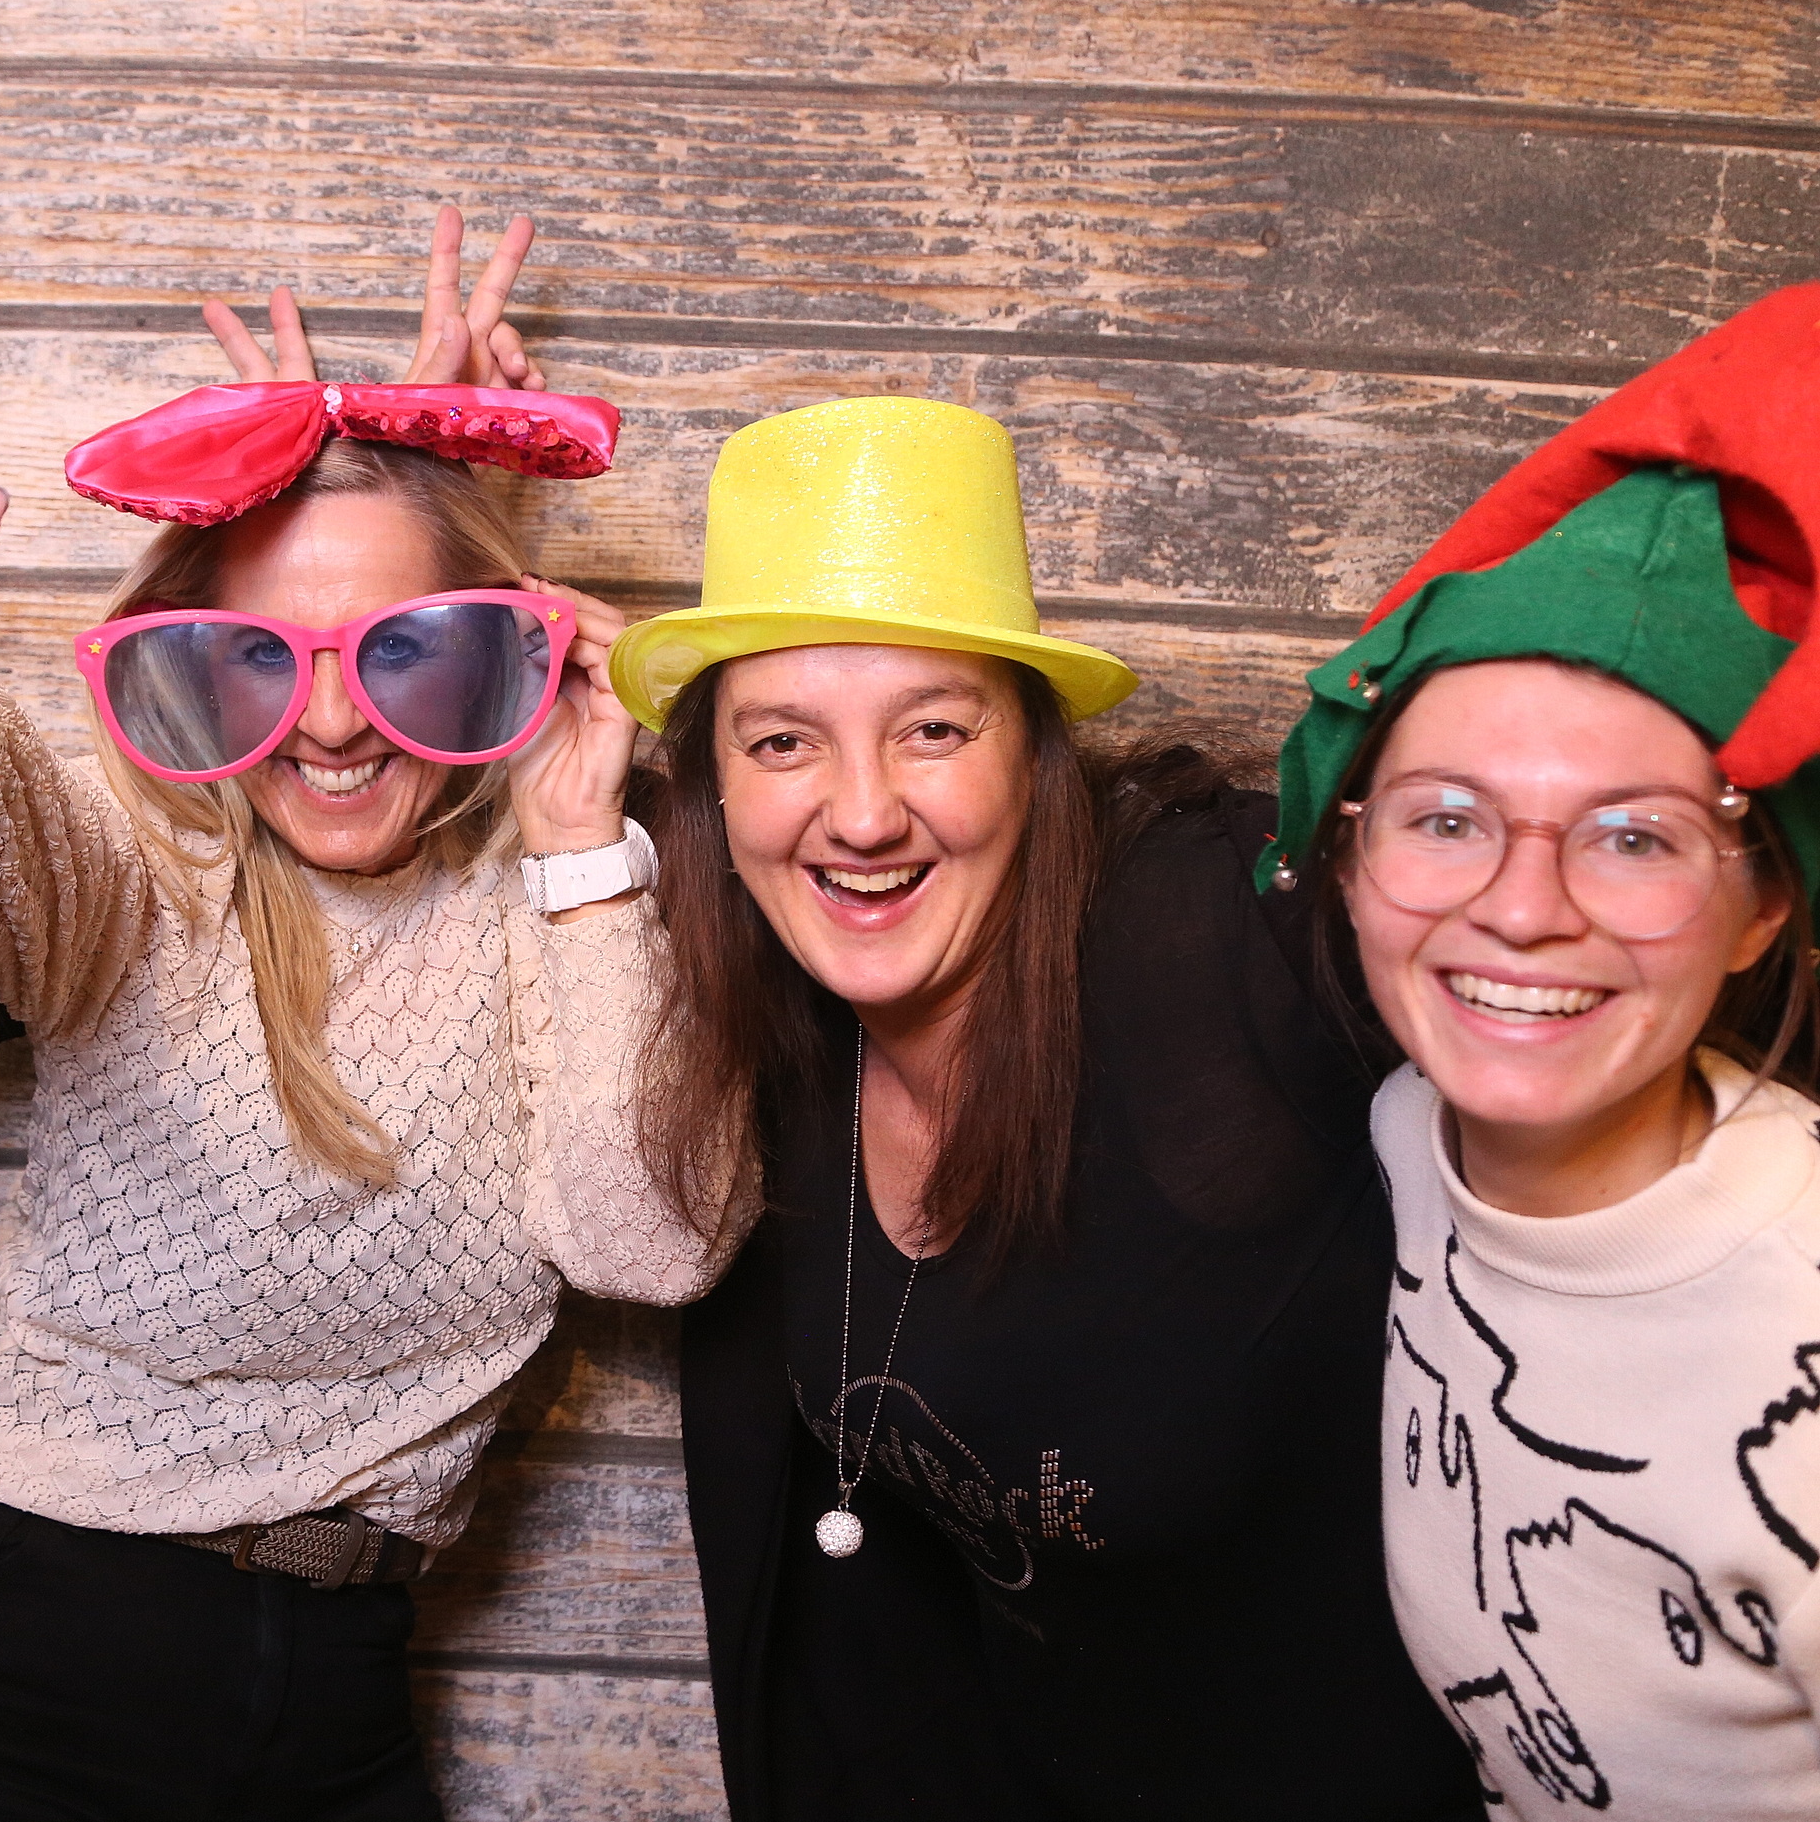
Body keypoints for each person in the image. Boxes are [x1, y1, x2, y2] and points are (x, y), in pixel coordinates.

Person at [0, 217, 722, 1821]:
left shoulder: (563, 899)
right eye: (263, 655)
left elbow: (646, 1243)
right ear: (187, 666)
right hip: (2, 1649)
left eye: (398, 651)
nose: (327, 720)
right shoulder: (144, 874)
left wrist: (575, 844)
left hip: (335, 1679)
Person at [616, 396, 1480, 1815]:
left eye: (932, 729)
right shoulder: (779, 1021)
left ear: (1034, 751)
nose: (861, 813)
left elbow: (1528, 902)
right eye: (780, 743)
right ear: (713, 786)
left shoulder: (1217, 936)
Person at [1261, 283, 1820, 1817]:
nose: (1519, 909)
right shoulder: (1408, 1131)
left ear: (1761, 904)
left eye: (1632, 837)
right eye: (1445, 818)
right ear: (1350, 859)